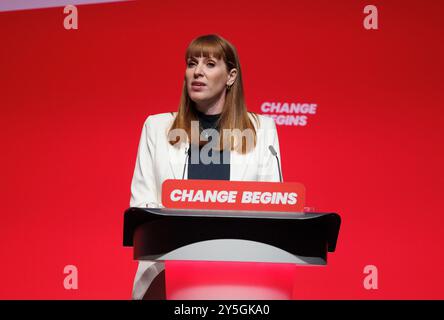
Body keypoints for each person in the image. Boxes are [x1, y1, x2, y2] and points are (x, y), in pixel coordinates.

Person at [129, 34, 283, 299]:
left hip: (239, 280)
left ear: (231, 76)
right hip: (166, 278)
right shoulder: (156, 128)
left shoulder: (261, 130)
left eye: (210, 64)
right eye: (192, 63)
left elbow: (272, 209)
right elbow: (142, 206)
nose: (197, 71)